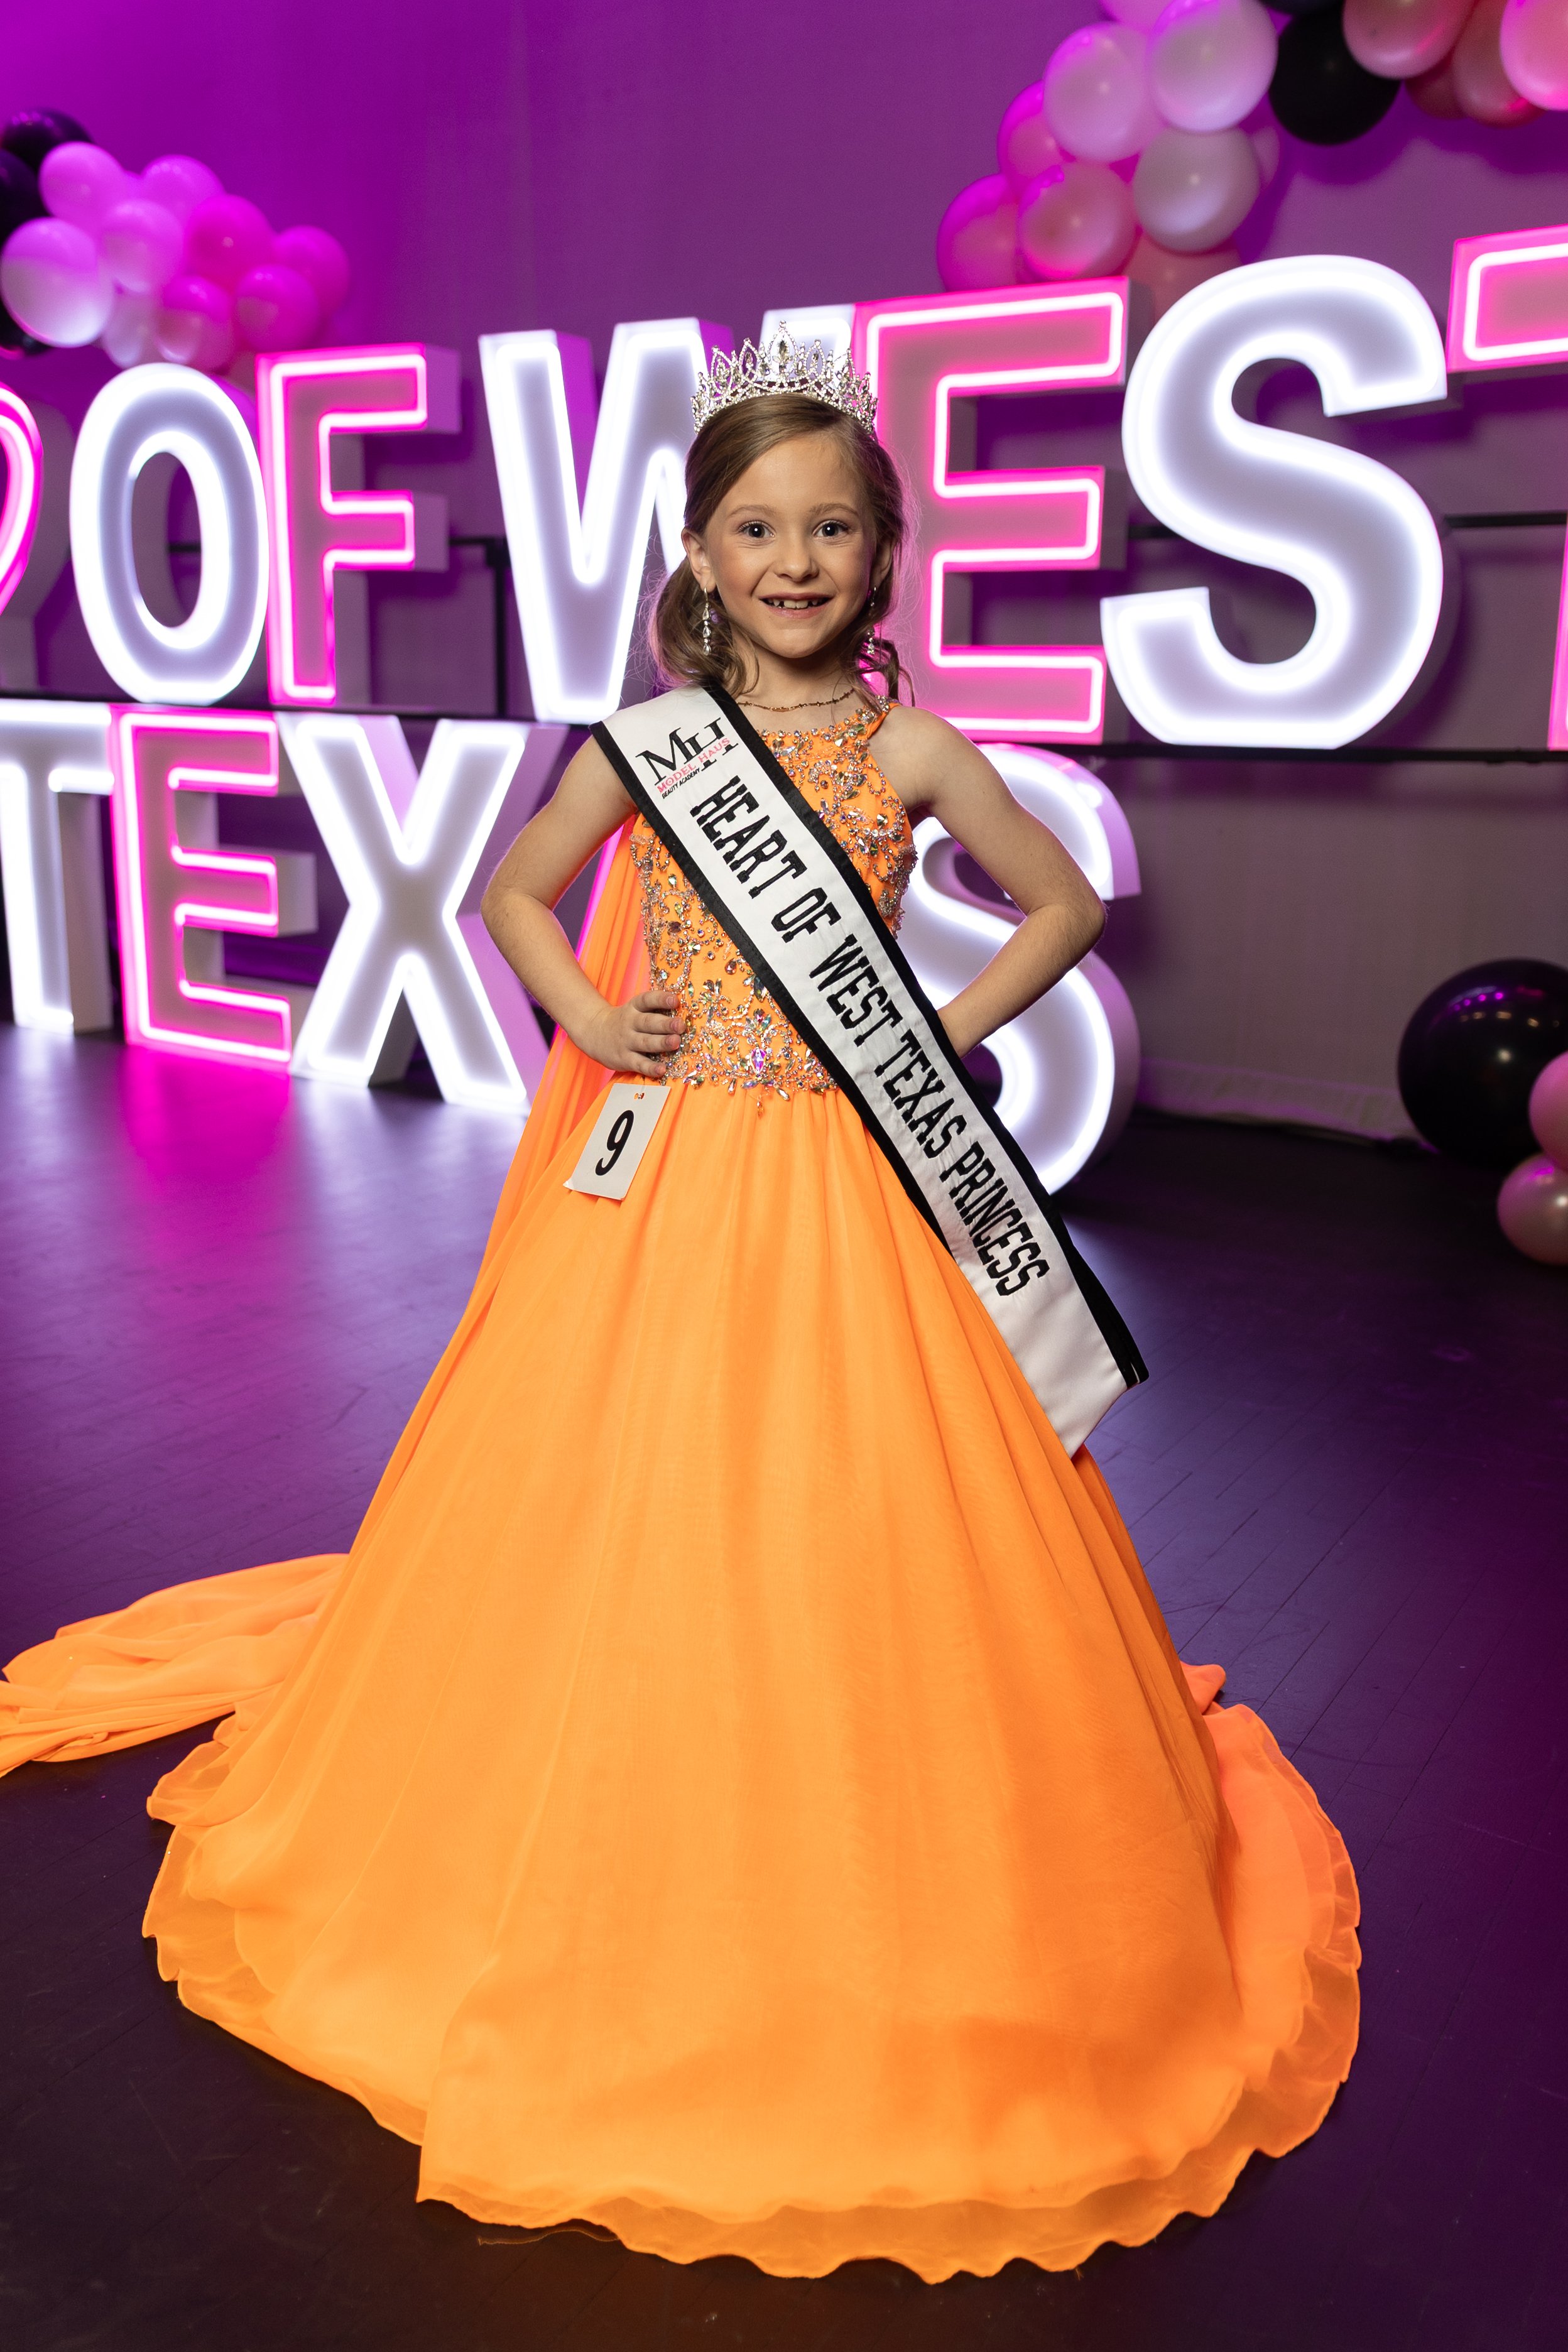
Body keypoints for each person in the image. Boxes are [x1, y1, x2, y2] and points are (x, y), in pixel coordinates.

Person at [0, 338, 1358, 2284]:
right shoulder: (646, 744)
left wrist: (941, 1032)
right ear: (701, 553)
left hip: (849, 1180)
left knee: (869, 1510)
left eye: (828, 527)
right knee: (633, 1489)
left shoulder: (910, 752)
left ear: (881, 555)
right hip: (674, 1177)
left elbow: (1060, 904)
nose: (792, 558)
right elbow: (518, 895)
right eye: (755, 528)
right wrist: (581, 1009)